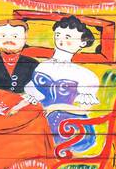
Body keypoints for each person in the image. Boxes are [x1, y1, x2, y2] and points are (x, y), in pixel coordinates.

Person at [12, 16, 101, 152]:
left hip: (70, 125)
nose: (61, 40)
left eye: (68, 37)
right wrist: (29, 99)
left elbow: (84, 110)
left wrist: (54, 108)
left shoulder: (86, 75)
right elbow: (32, 94)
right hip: (41, 117)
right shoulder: (41, 66)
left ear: (83, 43)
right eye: (58, 35)